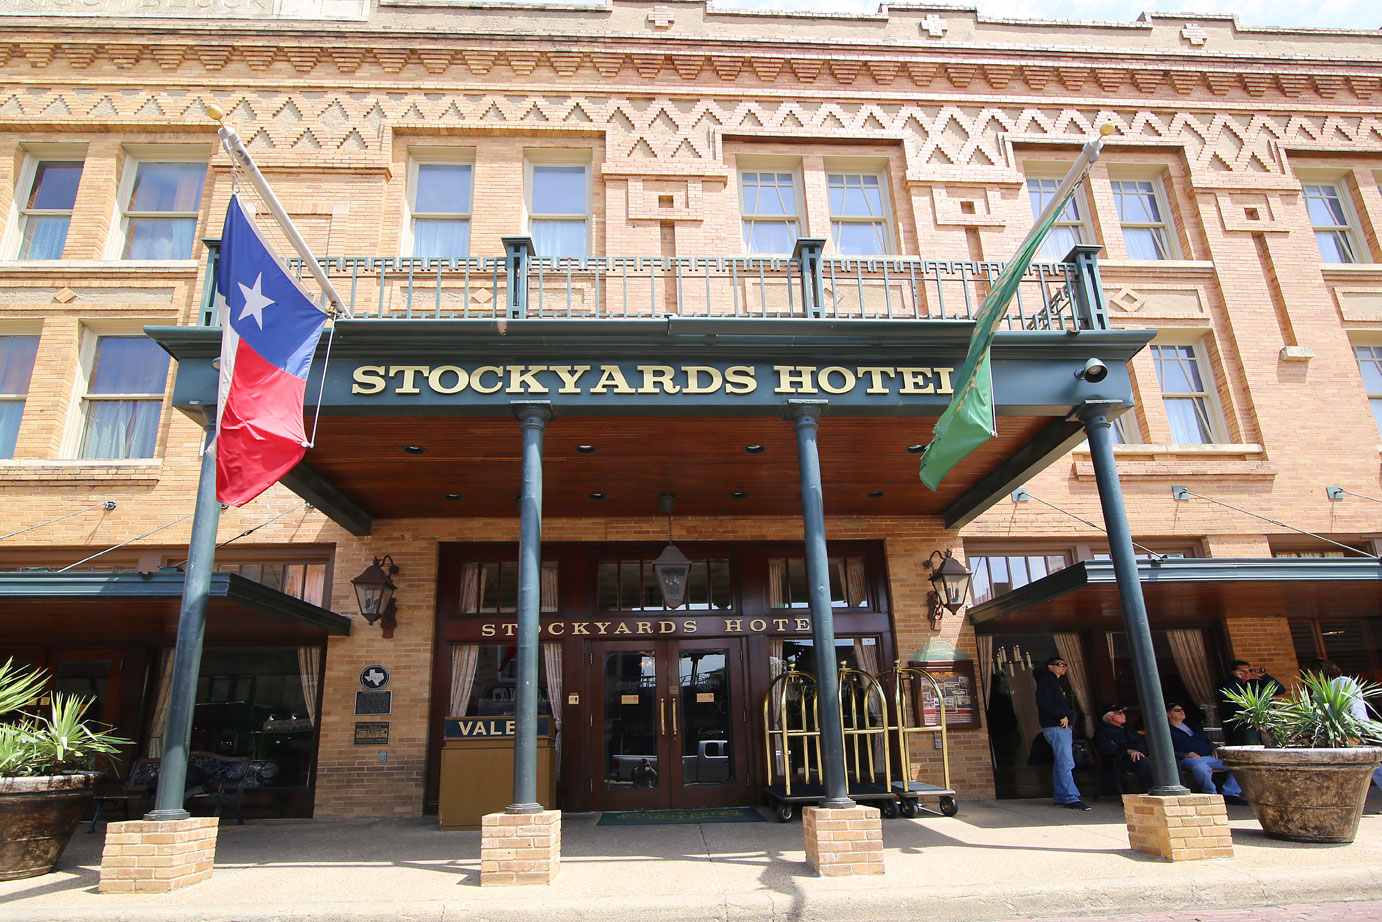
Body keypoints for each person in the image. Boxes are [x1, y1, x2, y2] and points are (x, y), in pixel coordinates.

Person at [1309, 659, 1382, 796]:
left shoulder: (1342, 682)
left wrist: (1357, 732)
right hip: (1333, 733)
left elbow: (1355, 706)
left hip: (1352, 730)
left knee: (1372, 767)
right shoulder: (1318, 690)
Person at [1034, 655, 1090, 810]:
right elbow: (1042, 701)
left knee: (1061, 762)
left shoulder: (1053, 682)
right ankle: (1070, 797)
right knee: (1066, 761)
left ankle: (1061, 795)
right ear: (1050, 667)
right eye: (1060, 664)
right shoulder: (1047, 681)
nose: (1064, 667)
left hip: (1058, 727)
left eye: (1065, 665)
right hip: (1057, 727)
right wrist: (1061, 715)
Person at [1167, 702, 1244, 804]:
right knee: (1201, 768)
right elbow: (1165, 750)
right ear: (1168, 714)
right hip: (1188, 759)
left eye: (1182, 709)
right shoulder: (1167, 730)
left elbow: (1207, 741)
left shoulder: (1193, 727)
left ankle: (1230, 794)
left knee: (1238, 764)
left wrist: (1214, 748)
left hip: (1208, 756)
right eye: (1177, 710)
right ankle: (1211, 794)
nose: (1182, 712)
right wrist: (1186, 755)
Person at [1092, 703, 1153, 792]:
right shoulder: (1102, 733)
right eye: (1119, 713)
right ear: (1109, 716)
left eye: (1123, 712)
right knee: (1144, 761)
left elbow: (1142, 741)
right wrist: (1128, 751)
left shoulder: (1128, 727)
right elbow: (1108, 751)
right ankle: (1150, 791)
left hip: (1141, 755)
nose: (1123, 715)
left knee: (1167, 759)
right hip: (1120, 761)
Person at [1217, 660, 1280, 745]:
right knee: (1251, 748)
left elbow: (1279, 690)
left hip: (1265, 721)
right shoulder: (1227, 684)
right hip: (1245, 723)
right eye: (1242, 672)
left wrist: (1264, 676)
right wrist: (1237, 679)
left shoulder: (1255, 683)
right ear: (1234, 672)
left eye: (1249, 671)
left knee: (1274, 746)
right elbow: (1226, 694)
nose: (1246, 674)